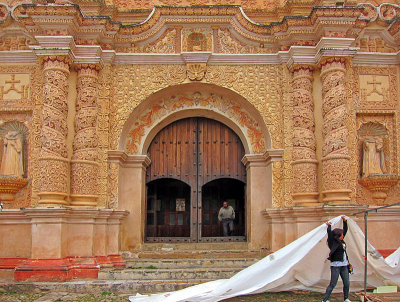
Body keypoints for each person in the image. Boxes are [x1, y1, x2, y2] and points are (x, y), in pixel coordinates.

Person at [322, 216, 351, 302]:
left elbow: (345, 231)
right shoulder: (333, 243)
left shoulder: (342, 241)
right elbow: (330, 235)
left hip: (344, 265)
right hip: (336, 266)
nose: (343, 235)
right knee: (333, 283)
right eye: (341, 234)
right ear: (338, 236)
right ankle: (325, 300)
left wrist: (345, 222)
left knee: (347, 283)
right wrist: (329, 227)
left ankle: (346, 298)